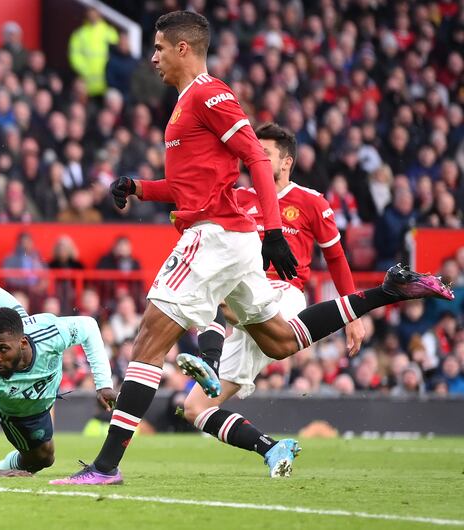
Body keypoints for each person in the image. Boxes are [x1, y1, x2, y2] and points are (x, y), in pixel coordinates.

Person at [50, 11, 453, 486]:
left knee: (147, 345)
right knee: (280, 340)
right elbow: (186, 186)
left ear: (184, 48)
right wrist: (137, 186)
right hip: (231, 240)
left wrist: (277, 233)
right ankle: (389, 291)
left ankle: (105, 466)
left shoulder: (208, 93)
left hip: (216, 236)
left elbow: (256, 159)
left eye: (159, 47)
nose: (153, 56)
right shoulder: (183, 105)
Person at [175, 122, 365, 477]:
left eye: (264, 155)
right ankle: (271, 447)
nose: (255, 160)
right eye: (253, 154)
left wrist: (352, 314)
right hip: (244, 307)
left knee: (215, 289)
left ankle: (210, 363)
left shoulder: (311, 202)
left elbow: (336, 258)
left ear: (287, 161)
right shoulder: (240, 198)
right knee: (195, 407)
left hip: (282, 299)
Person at [0, 250, 117, 476]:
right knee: (43, 459)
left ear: (22, 343)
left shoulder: (49, 333)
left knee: (13, 311)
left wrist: (103, 384)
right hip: (18, 409)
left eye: (2, 349)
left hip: (41, 388)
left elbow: (88, 327)